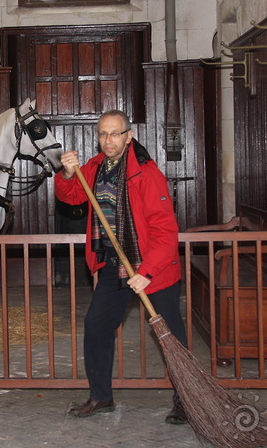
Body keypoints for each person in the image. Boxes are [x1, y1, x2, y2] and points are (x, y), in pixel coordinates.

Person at [54, 109, 188, 425]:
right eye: (103, 133)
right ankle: (101, 395)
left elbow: (165, 231)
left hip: (153, 267)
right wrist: (68, 174)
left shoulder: (146, 174)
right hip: (116, 265)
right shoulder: (95, 167)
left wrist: (147, 272)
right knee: (97, 325)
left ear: (129, 136)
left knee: (170, 334)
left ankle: (185, 399)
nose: (108, 140)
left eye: (115, 133)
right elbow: (71, 197)